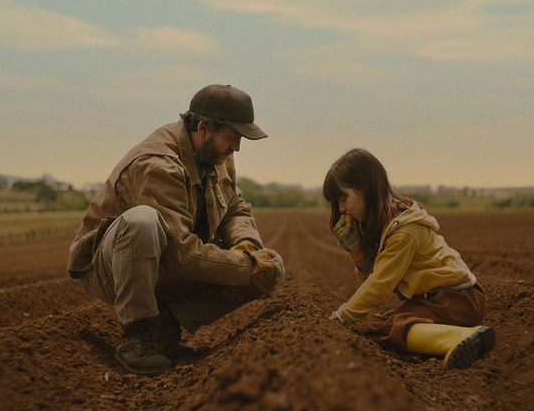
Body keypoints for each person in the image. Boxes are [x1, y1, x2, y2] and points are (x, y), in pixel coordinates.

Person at [67, 84, 285, 375]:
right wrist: (244, 268)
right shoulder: (158, 165)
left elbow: (235, 207)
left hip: (162, 262)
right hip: (112, 267)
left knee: (271, 264)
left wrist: (246, 247)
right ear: (202, 128)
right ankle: (136, 335)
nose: (236, 147)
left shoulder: (216, 156)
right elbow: (179, 251)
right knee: (142, 221)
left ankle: (163, 326)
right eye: (232, 138)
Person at [322, 148, 495, 369]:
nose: (341, 209)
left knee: (383, 327)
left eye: (343, 199)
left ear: (365, 189)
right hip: (440, 299)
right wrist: (356, 252)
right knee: (380, 325)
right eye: (337, 203)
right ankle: (459, 336)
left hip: (456, 299)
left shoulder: (403, 231)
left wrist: (342, 316)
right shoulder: (387, 225)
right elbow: (375, 278)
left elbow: (380, 284)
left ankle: (458, 338)